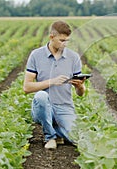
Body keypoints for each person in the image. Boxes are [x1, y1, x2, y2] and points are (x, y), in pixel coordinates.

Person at [23, 20, 85, 149]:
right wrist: (52, 81)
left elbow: (80, 94)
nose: (65, 44)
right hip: (44, 107)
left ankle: (58, 132)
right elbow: (27, 87)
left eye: (67, 40)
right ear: (51, 37)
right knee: (41, 96)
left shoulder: (73, 57)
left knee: (77, 138)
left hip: (65, 107)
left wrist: (80, 86)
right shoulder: (36, 55)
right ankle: (50, 137)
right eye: (62, 40)